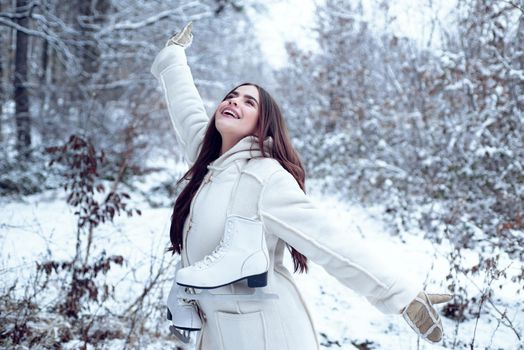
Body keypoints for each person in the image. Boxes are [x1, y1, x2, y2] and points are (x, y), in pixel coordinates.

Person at [151, 22, 452, 350]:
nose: (235, 101)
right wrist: (173, 57)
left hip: (269, 335)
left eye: (249, 102)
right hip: (221, 336)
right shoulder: (211, 164)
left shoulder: (264, 176)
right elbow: (187, 110)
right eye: (231, 96)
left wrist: (401, 294)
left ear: (262, 125)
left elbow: (329, 240)